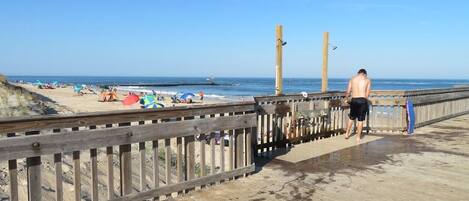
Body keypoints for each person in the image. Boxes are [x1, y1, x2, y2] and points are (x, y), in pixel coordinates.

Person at [344, 68, 371, 142]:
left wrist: (346, 99)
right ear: (364, 74)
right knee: (360, 120)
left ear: (358, 73)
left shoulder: (352, 79)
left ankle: (347, 134)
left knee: (351, 118)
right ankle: (358, 137)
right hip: (362, 100)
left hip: (354, 99)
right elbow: (367, 93)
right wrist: (364, 100)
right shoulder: (367, 80)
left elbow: (348, 91)